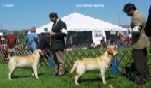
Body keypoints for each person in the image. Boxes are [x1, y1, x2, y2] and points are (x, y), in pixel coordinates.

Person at [123, 3, 150, 85]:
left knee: (138, 62)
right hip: (143, 42)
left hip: (138, 43)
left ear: (131, 10)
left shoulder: (136, 17)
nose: (126, 14)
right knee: (144, 62)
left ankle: (140, 79)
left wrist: (129, 31)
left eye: (126, 12)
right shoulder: (141, 14)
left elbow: (137, 30)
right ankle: (147, 77)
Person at [49, 12, 67, 76]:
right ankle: (56, 72)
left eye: (51, 18)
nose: (50, 20)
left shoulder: (61, 23)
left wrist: (55, 34)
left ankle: (61, 73)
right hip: (54, 45)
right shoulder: (54, 24)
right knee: (55, 61)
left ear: (55, 17)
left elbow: (64, 33)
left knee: (60, 61)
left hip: (59, 45)